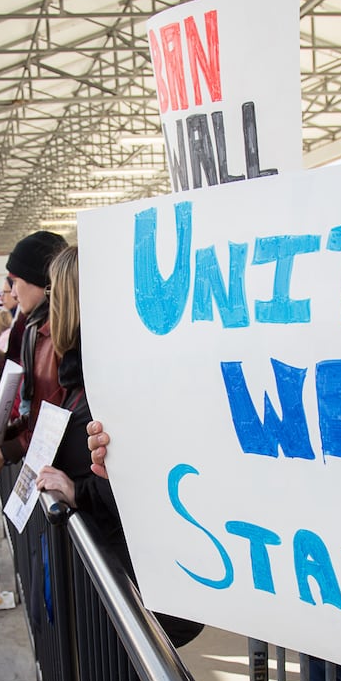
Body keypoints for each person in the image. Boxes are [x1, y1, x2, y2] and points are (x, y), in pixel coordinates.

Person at [33, 247, 204, 649]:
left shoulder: (108, 385)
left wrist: (78, 491)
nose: (47, 302)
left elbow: (141, 475)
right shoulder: (83, 377)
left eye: (53, 290)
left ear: (69, 300)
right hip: (118, 583)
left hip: (134, 585)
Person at [0, 230, 68, 483]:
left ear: (38, 280)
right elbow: (38, 414)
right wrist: (5, 437)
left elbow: (55, 419)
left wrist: (7, 449)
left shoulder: (57, 337)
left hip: (62, 474)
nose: (11, 293)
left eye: (14, 281)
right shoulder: (35, 329)